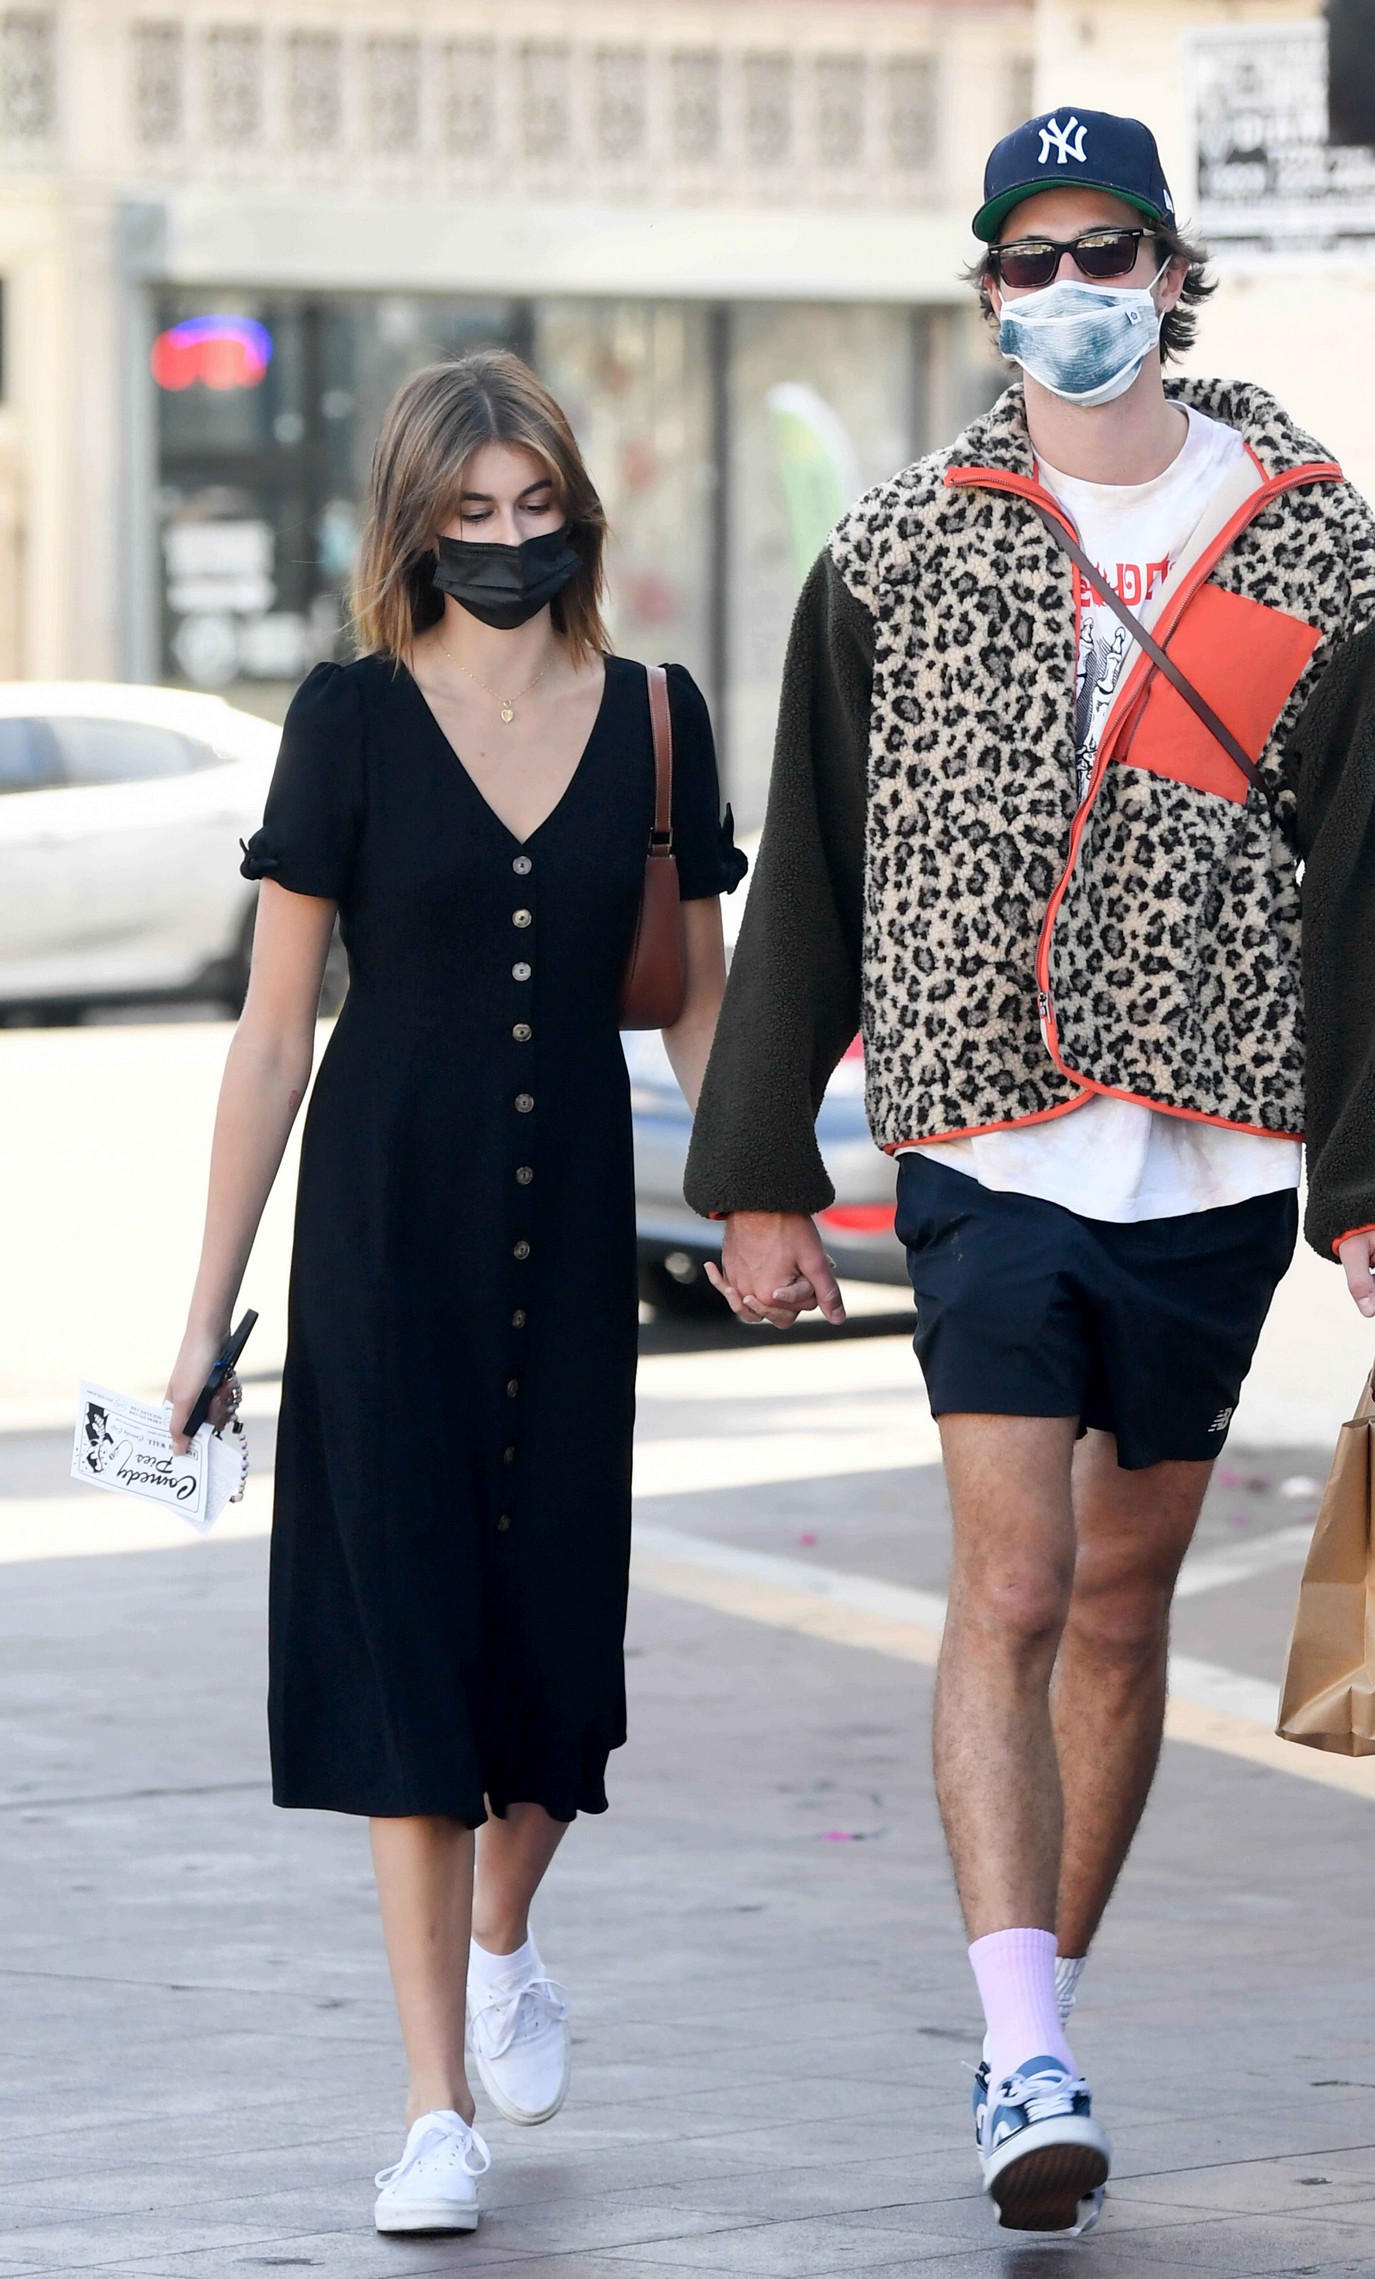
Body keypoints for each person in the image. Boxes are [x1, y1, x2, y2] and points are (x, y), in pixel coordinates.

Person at [686, 108, 1375, 2236]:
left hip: (1210, 1145)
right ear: (986, 297)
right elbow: (810, 863)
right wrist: (758, 1170)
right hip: (983, 1132)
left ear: (1171, 273)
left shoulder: (1312, 549)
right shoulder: (899, 550)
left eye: (1102, 252)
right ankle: (1025, 2046)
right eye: (1027, 262)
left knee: (1123, 1609)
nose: (1068, 294)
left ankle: (1027, 2022)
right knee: (1019, 1584)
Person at [166, 350, 742, 2236]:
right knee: (403, 1646)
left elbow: (703, 1001)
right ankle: (432, 2113)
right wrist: (205, 1317)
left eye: (534, 506)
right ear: (413, 527)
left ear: (579, 511)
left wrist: (760, 1200)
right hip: (382, 1230)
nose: (506, 540)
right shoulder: (344, 719)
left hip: (573, 1228)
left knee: (559, 1642)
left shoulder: (655, 717)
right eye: (470, 513)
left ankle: (507, 1931)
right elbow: (273, 1036)